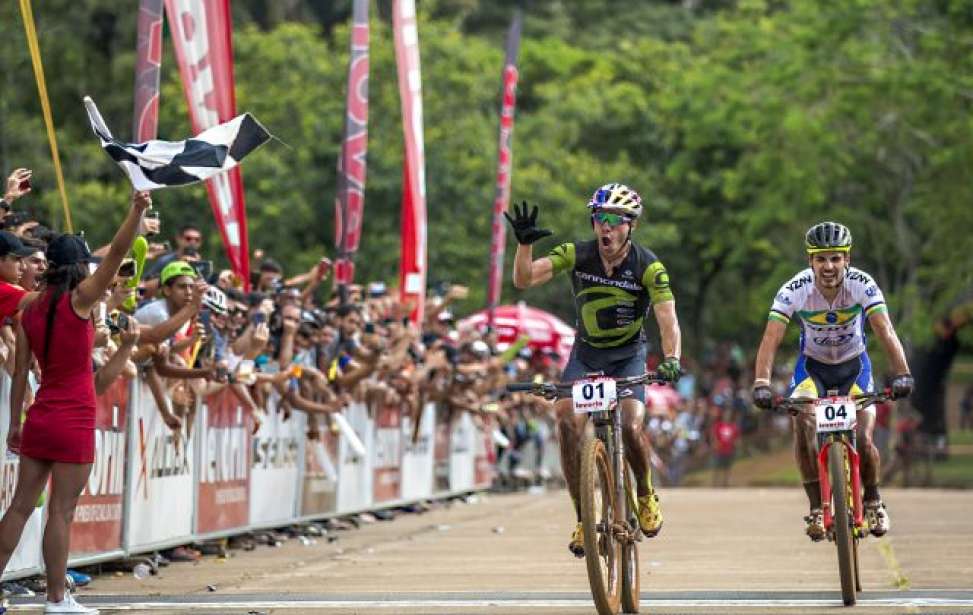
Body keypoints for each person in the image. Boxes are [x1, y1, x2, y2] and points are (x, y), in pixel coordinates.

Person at [506, 183, 682, 557]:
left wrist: (672, 359)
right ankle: (585, 519)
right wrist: (524, 245)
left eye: (615, 222)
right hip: (587, 355)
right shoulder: (577, 253)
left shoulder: (649, 266)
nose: (606, 228)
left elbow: (668, 321)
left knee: (633, 425)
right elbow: (523, 280)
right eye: (600, 219)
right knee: (567, 421)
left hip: (628, 355)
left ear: (630, 226)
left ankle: (646, 492)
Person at [0, 190, 152, 614]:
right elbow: (118, 251)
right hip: (74, 417)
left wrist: (15, 423)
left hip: (40, 415)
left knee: (19, 506)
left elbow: (18, 372)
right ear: (79, 266)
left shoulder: (28, 306)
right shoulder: (81, 300)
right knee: (61, 514)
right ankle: (56, 600)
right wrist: (136, 212)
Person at [751, 221, 913, 541]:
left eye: (836, 258)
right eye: (821, 258)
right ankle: (815, 507)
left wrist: (903, 373)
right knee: (801, 423)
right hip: (813, 370)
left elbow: (885, 330)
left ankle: (873, 500)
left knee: (865, 438)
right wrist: (761, 382)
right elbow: (771, 338)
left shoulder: (862, 285)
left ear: (847, 259)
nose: (828, 266)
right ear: (810, 261)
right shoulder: (794, 289)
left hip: (856, 368)